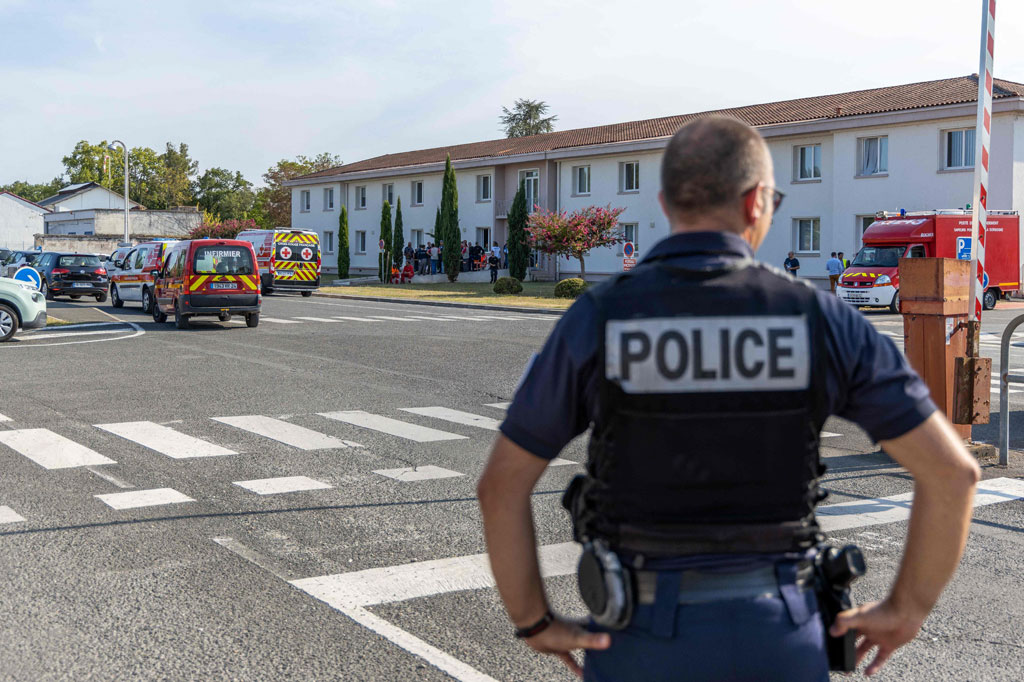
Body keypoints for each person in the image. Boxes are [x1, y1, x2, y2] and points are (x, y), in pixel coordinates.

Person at [477, 116, 980, 681]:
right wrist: (905, 609)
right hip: (781, 634)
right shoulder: (820, 320)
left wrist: (533, 620)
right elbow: (952, 474)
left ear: (666, 205)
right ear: (756, 201)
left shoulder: (601, 316)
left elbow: (501, 484)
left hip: (639, 636)